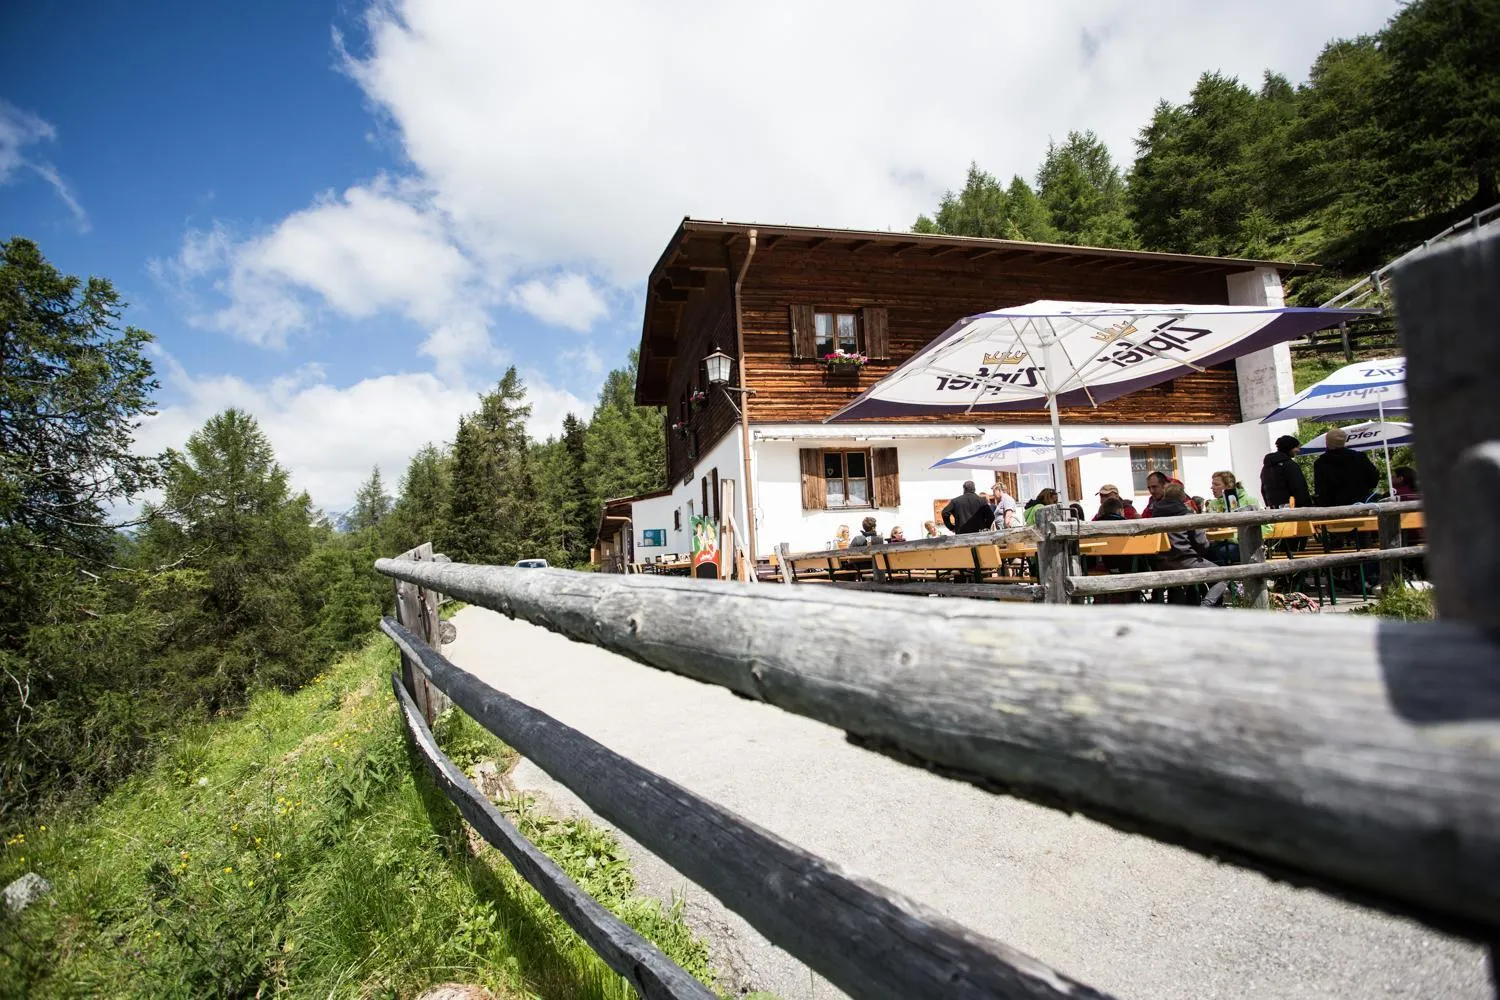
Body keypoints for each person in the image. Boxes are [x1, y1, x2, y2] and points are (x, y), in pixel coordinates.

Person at [1153, 484, 1231, 607]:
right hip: (1185, 560)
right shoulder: (1186, 515)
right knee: (1224, 575)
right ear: (1183, 497)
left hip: (1162, 562)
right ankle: (1206, 607)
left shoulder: (1155, 515)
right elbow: (1201, 543)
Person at [1314, 427, 1380, 506]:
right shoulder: (1360, 457)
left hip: (1335, 508)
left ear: (1327, 442)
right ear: (1344, 441)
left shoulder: (1321, 463)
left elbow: (1321, 490)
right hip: (1362, 504)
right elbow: (1374, 478)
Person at [1261, 435, 1312, 509]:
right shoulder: (1289, 465)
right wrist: (1307, 507)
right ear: (1289, 447)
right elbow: (1299, 489)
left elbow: (1263, 490)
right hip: (1293, 510)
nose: (1298, 450)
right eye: (1296, 447)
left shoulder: (1266, 468)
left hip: (1275, 511)